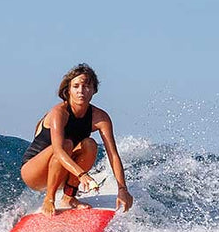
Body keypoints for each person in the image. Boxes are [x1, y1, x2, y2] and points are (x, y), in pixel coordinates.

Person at [21, 63, 134, 215]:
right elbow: (58, 150)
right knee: (66, 144)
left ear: (94, 90)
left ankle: (69, 197)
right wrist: (82, 175)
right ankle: (49, 199)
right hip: (34, 172)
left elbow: (113, 155)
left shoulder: (100, 117)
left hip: (62, 171)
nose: (81, 91)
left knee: (90, 144)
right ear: (68, 90)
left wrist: (122, 189)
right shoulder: (59, 113)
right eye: (76, 86)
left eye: (87, 86)